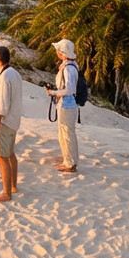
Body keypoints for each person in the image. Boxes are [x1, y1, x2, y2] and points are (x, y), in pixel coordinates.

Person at [0, 45, 22, 202]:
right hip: (14, 120)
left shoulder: (4, 77)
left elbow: (2, 104)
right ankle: (13, 186)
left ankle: (6, 192)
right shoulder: (14, 73)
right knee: (10, 154)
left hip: (5, 121)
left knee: (1, 156)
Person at [44, 39, 80, 173]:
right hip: (65, 105)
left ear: (62, 52)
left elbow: (69, 89)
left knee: (67, 134)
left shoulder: (69, 68)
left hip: (67, 105)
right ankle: (69, 159)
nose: (57, 52)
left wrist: (54, 92)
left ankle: (70, 164)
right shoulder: (69, 65)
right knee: (65, 133)